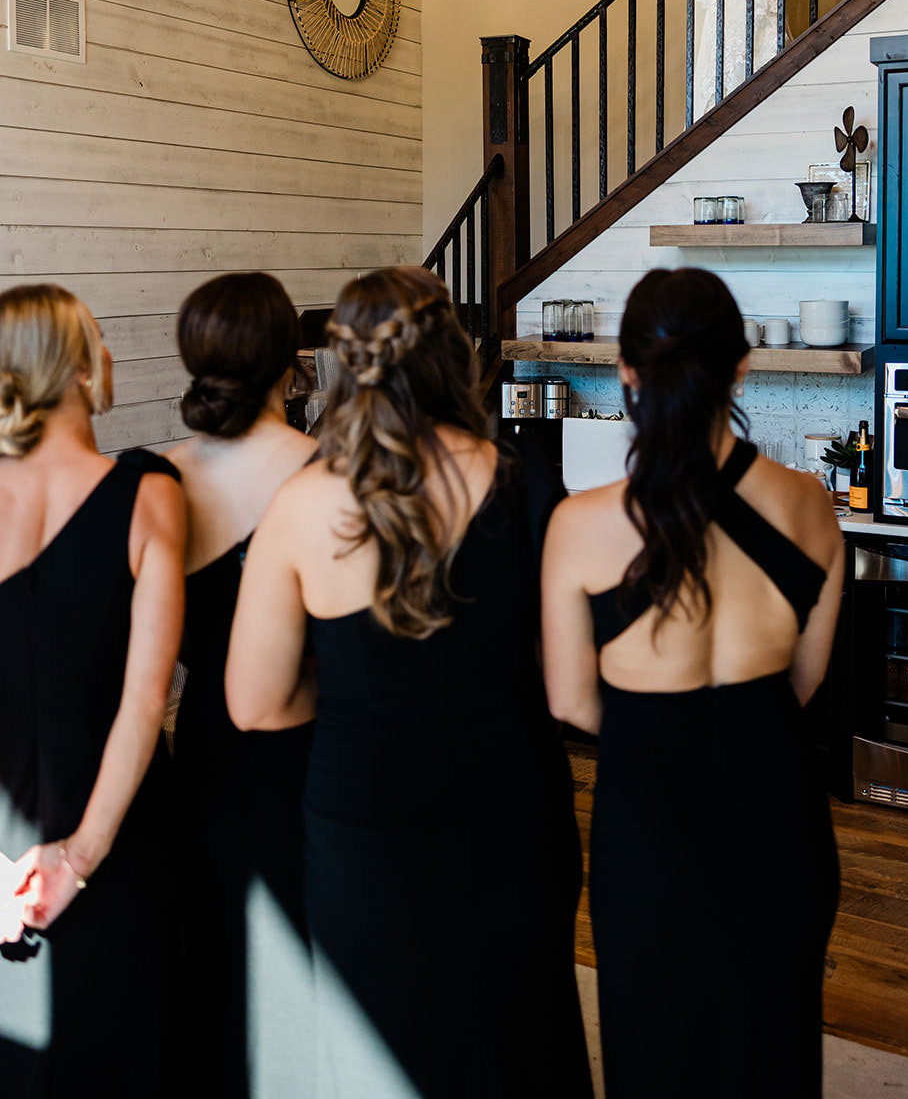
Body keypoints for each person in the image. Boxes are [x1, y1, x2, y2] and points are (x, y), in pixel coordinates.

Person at [226, 267, 593, 1099]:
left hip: (366, 818)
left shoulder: (301, 503)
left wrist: (360, 698)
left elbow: (254, 703)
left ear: (338, 365)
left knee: (378, 1041)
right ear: (450, 358)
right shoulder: (526, 478)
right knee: (522, 1029)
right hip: (512, 802)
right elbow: (557, 664)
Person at [541, 267, 843, 1099]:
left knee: (654, 1046)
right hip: (777, 815)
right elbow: (805, 681)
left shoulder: (577, 525)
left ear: (625, 373)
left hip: (651, 824)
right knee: (771, 1044)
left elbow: (567, 702)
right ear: (739, 368)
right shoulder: (808, 505)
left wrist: (655, 724)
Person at [0, 283, 186, 1095]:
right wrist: (80, 857)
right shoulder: (149, 496)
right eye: (100, 340)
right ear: (75, 368)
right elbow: (145, 702)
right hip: (120, 829)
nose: (110, 353)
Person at [166, 272, 317, 1098]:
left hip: (203, 746)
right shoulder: (323, 471)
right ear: (289, 363)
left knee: (213, 943)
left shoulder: (153, 481)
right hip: (305, 745)